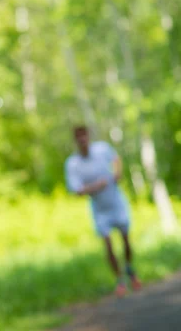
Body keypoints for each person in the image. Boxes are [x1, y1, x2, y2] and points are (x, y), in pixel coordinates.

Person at [65, 125, 141, 297]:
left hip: (117, 203)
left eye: (84, 136)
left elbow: (116, 159)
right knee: (107, 243)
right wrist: (96, 186)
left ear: (88, 136)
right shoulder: (73, 163)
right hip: (99, 209)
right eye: (79, 138)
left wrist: (117, 173)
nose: (82, 140)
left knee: (126, 239)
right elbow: (76, 191)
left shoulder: (102, 149)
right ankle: (120, 280)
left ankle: (130, 269)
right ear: (76, 140)